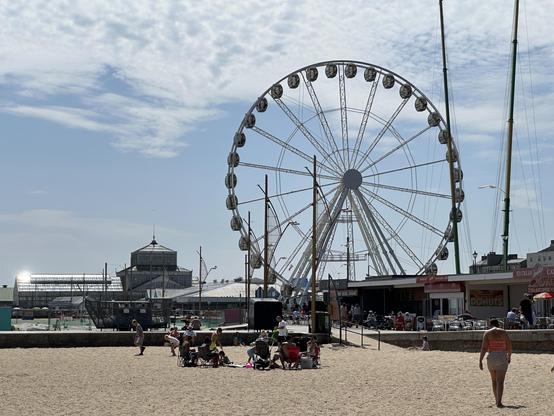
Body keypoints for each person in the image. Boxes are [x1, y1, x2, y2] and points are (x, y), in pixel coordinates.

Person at [479, 318, 512, 408]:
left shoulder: (487, 333)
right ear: (498, 324)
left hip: (492, 357)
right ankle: (499, 402)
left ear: (490, 324)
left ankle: (496, 399)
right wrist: (509, 357)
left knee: (494, 381)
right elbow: (509, 346)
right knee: (500, 382)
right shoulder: (503, 332)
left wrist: (480, 360)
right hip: (502, 356)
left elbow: (484, 348)